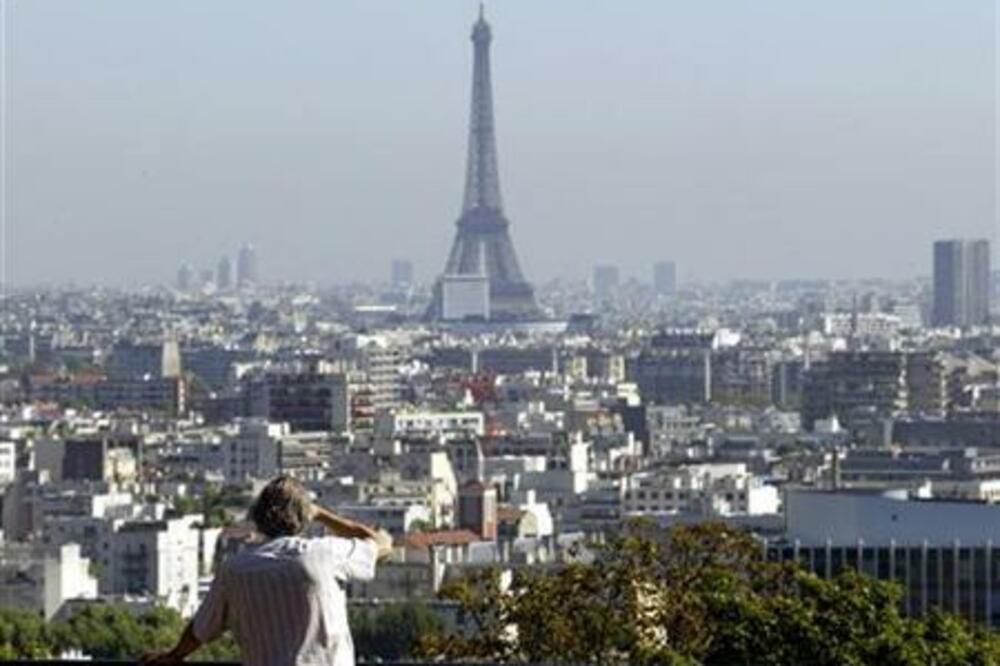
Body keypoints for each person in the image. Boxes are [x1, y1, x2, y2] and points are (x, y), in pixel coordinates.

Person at [142, 475, 392, 666]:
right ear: (302, 519)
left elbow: (202, 628)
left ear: (259, 518)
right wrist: (320, 513)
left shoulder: (235, 570)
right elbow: (382, 544)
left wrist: (173, 656)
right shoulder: (324, 555)